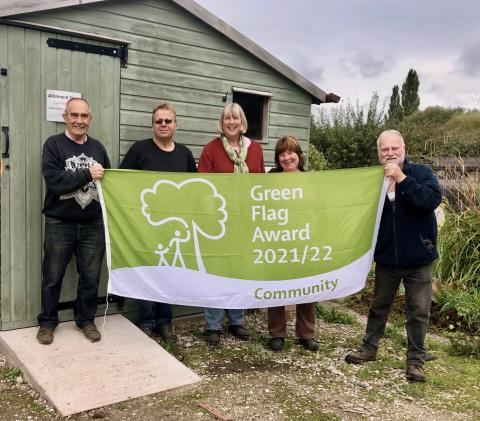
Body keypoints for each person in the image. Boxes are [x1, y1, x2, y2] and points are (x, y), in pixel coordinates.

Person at [345, 129, 442, 383]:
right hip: (387, 258)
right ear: (378, 153)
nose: (390, 154)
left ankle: (416, 361)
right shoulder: (373, 179)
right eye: (384, 150)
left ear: (404, 149)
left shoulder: (420, 173)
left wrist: (401, 178)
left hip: (420, 256)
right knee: (379, 306)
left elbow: (430, 200)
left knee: (418, 310)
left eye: (394, 149)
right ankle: (368, 348)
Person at [120, 103, 197, 342]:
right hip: (145, 225)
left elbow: (193, 188)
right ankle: (145, 320)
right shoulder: (139, 150)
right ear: (152, 124)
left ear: (176, 124)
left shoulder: (184, 153)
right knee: (148, 272)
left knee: (170, 274)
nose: (163, 125)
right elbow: (122, 182)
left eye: (168, 121)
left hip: (175, 227)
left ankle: (165, 323)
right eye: (158, 121)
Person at [37, 97, 110, 345]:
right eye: (74, 115)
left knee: (91, 277)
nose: (79, 121)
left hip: (93, 225)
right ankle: (47, 323)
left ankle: (86, 320)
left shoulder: (99, 148)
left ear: (91, 119)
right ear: (65, 117)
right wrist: (87, 173)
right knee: (52, 276)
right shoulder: (53, 145)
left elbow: (108, 185)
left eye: (84, 116)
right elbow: (55, 183)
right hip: (60, 224)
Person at [198, 102, 265, 346]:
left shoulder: (255, 149)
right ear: (222, 122)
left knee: (239, 269)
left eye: (235, 118)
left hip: (245, 220)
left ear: (242, 121)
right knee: (216, 271)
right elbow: (203, 189)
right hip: (220, 220)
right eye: (227, 118)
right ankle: (213, 325)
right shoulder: (211, 149)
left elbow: (261, 186)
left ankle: (237, 320)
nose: (231, 122)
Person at [267, 136, 319, 352]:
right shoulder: (270, 179)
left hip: (304, 239)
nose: (287, 157)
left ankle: (306, 334)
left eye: (291, 152)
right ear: (278, 159)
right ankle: (277, 333)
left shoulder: (311, 179)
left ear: (299, 155)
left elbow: (319, 208)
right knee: (276, 287)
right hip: (278, 239)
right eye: (282, 154)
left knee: (306, 286)